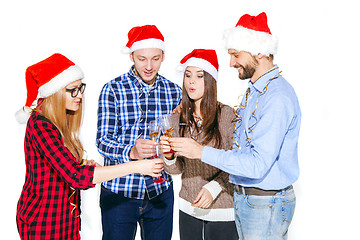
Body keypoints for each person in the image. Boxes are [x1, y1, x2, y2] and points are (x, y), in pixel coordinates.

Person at [168, 12, 301, 239]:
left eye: (236, 54)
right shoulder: (256, 91)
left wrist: (200, 152)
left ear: (258, 51)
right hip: (250, 201)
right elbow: (240, 149)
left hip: (264, 203)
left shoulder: (276, 97)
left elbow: (257, 164)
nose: (231, 63)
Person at [15, 53, 164, 240]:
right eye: (73, 90)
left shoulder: (58, 121)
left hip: (65, 220)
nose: (80, 96)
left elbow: (65, 167)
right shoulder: (41, 124)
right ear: (55, 92)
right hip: (44, 221)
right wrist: (137, 166)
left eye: (81, 88)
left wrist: (84, 164)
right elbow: (75, 176)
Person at [96, 25, 182, 240]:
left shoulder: (174, 91)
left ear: (163, 56)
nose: (149, 66)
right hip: (119, 192)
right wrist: (131, 152)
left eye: (155, 58)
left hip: (160, 193)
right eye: (142, 58)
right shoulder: (112, 89)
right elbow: (102, 141)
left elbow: (179, 141)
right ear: (132, 56)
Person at [160, 49, 238, 240]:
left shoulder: (227, 115)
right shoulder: (176, 118)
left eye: (199, 75)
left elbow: (238, 162)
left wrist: (214, 189)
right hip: (188, 208)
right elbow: (177, 170)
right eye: (187, 75)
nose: (191, 81)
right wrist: (169, 157)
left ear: (210, 80)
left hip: (223, 209)